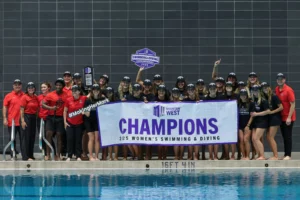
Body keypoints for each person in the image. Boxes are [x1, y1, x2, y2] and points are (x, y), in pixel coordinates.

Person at [42, 78, 69, 161]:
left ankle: (58, 155)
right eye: (57, 85)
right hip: (51, 117)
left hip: (60, 118)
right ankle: (48, 154)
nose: (58, 86)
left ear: (63, 86)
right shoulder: (50, 94)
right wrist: (51, 108)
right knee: (48, 134)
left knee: (59, 136)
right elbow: (43, 104)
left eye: (60, 85)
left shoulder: (67, 95)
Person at [275, 73, 296, 160]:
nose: (280, 81)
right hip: (281, 116)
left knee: (287, 136)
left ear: (284, 80)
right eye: (278, 79)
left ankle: (288, 155)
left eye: (281, 79)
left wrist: (289, 117)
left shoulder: (288, 90)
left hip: (288, 117)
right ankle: (285, 154)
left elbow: (293, 104)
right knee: (284, 136)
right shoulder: (276, 89)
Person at [64, 85, 87, 161]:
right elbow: (65, 111)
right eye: (73, 91)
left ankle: (78, 156)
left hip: (79, 123)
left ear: (79, 91)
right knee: (70, 139)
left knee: (78, 140)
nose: (75, 92)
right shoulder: (68, 100)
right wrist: (65, 122)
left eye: (76, 91)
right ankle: (69, 155)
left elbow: (91, 97)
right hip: (70, 123)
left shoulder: (83, 98)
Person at [125, 83, 148, 160]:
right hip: (130, 121)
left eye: (138, 90)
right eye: (135, 90)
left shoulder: (143, 98)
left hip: (140, 121)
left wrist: (146, 103)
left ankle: (138, 156)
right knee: (128, 141)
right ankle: (134, 154)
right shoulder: (129, 97)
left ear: (140, 90)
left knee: (136, 140)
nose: (136, 91)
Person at [2, 79, 24, 159]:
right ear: (13, 86)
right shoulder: (8, 96)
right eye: (16, 85)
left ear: (21, 86)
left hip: (22, 121)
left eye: (19, 84)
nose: (17, 86)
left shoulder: (24, 95)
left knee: (23, 139)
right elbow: (4, 107)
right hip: (12, 121)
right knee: (12, 138)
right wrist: (4, 118)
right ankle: (13, 155)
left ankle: (24, 155)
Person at [84, 84, 105, 161]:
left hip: (97, 120)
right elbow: (85, 112)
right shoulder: (88, 100)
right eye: (94, 90)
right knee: (91, 138)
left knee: (97, 139)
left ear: (99, 91)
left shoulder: (102, 99)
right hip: (88, 121)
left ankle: (96, 156)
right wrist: (86, 112)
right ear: (92, 91)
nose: (96, 91)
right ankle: (90, 156)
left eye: (97, 90)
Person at [261, 82, 283, 160]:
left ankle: (276, 156)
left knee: (270, 137)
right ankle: (275, 154)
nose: (265, 89)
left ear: (269, 88)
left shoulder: (274, 96)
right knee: (268, 137)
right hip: (270, 119)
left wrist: (272, 112)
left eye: (266, 87)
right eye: (263, 88)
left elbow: (281, 107)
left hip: (275, 119)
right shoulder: (265, 97)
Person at [204, 83, 225, 160]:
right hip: (208, 122)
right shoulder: (205, 99)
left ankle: (215, 156)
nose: (212, 90)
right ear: (209, 90)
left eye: (214, 89)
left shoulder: (220, 98)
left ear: (216, 89)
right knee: (210, 139)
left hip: (218, 121)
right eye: (211, 89)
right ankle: (210, 156)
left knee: (216, 139)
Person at [250, 85, 270, 160]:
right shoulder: (254, 100)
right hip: (256, 122)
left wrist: (257, 114)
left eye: (256, 91)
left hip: (262, 122)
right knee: (253, 139)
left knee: (257, 138)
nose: (255, 92)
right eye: (253, 91)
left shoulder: (263, 100)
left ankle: (262, 156)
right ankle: (259, 155)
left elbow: (268, 111)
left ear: (259, 91)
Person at [20, 82, 39, 161]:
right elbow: (21, 109)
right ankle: (25, 156)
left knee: (32, 137)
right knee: (26, 138)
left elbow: (37, 108)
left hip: (33, 117)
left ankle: (31, 155)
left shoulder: (36, 97)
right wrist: (22, 121)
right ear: (27, 89)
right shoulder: (24, 97)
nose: (31, 89)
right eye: (29, 88)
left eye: (32, 88)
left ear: (34, 89)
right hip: (26, 116)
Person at [37, 82, 56, 157]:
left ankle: (53, 152)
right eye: (42, 87)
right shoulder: (39, 97)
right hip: (41, 119)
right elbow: (38, 108)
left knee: (49, 136)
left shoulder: (52, 96)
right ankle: (46, 154)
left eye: (44, 87)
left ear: (49, 88)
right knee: (42, 136)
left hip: (49, 118)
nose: (43, 89)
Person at [184, 84, 200, 160]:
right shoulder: (184, 100)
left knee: (196, 140)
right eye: (189, 90)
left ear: (194, 90)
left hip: (197, 122)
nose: (191, 91)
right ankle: (190, 156)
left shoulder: (199, 100)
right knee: (190, 140)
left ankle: (196, 156)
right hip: (188, 123)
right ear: (187, 91)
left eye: (192, 90)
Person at [224, 81, 239, 160]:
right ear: (225, 88)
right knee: (226, 139)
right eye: (227, 86)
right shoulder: (222, 96)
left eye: (230, 86)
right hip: (224, 120)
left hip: (233, 120)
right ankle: (227, 155)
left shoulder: (236, 96)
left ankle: (233, 155)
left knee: (232, 139)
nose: (229, 88)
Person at [155, 85, 170, 160]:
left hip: (167, 123)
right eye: (160, 91)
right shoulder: (154, 100)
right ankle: (159, 156)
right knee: (159, 142)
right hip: (157, 123)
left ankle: (164, 156)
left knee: (166, 142)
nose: (161, 92)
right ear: (157, 92)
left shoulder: (168, 101)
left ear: (165, 92)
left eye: (162, 91)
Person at [238, 89, 252, 160]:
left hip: (248, 125)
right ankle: (243, 156)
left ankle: (248, 156)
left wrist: (248, 125)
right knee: (241, 140)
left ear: (246, 96)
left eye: (244, 95)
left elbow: (252, 115)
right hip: (240, 125)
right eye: (241, 95)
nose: (243, 96)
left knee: (246, 139)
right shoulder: (238, 104)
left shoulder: (250, 104)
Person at [105, 87, 119, 161]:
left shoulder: (116, 101)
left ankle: (116, 156)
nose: (109, 94)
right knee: (110, 140)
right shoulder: (103, 101)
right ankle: (110, 156)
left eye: (110, 92)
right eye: (107, 93)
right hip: (107, 122)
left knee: (115, 140)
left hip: (115, 122)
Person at [171, 88, 184, 160]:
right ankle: (176, 156)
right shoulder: (169, 103)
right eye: (174, 93)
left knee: (181, 141)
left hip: (182, 123)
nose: (175, 94)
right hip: (173, 124)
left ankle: (181, 156)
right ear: (172, 94)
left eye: (177, 93)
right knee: (175, 141)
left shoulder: (183, 103)